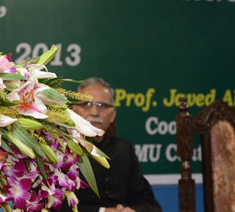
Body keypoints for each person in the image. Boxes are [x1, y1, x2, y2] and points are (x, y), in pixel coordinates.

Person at [59, 77, 161, 212]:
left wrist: (133, 210)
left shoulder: (124, 149)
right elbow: (55, 205)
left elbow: (150, 204)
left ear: (112, 115)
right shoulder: (60, 149)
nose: (94, 112)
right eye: (86, 104)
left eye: (102, 105)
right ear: (73, 111)